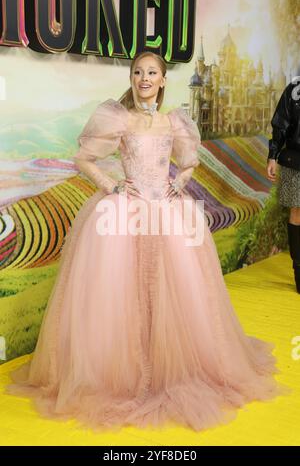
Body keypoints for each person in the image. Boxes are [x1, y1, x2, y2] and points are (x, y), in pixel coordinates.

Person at [6, 51, 289, 433]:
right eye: (138, 72)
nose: (144, 78)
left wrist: (179, 184)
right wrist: (112, 186)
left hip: (167, 212)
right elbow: (83, 159)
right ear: (132, 78)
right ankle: (124, 371)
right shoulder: (119, 118)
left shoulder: (175, 122)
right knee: (120, 293)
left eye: (151, 72)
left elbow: (189, 162)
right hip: (126, 212)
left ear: (163, 80)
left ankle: (169, 365)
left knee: (177, 292)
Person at [267, 79, 300, 293]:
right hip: (295, 159)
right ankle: (299, 269)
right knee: (297, 212)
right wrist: (272, 155)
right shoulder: (294, 89)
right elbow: (281, 123)